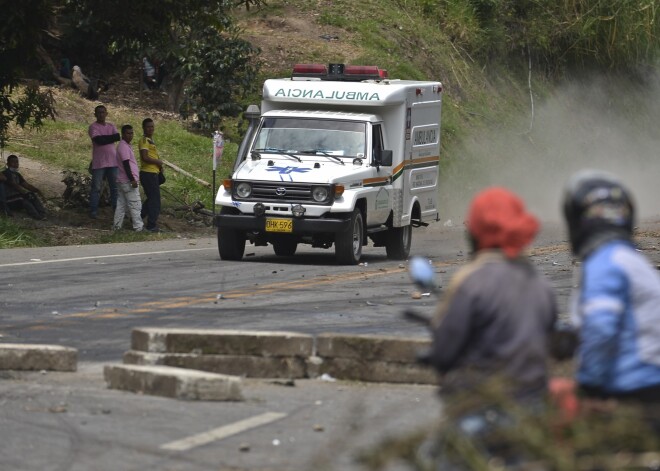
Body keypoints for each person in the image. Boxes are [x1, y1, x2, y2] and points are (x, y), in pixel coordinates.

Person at [424, 187, 557, 467]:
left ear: (474, 233)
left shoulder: (472, 281)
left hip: (481, 405)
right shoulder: (540, 284)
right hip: (532, 407)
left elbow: (445, 351)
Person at [563, 169, 660, 431]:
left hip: (637, 390)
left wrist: (588, 387)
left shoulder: (605, 263)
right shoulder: (630, 259)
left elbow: (601, 328)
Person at [89, 104, 120, 219]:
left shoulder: (111, 125)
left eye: (103, 112)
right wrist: (110, 138)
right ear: (95, 114)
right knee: (96, 188)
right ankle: (93, 211)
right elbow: (98, 141)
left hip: (113, 162)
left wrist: (105, 138)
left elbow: (117, 137)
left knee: (115, 188)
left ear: (106, 114)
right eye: (99, 112)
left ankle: (116, 211)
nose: (101, 114)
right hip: (99, 163)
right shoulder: (93, 127)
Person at [113, 125, 143, 232]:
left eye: (132, 133)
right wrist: (132, 179)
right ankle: (138, 227)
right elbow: (126, 165)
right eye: (127, 133)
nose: (130, 135)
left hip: (122, 180)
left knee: (121, 205)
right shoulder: (124, 147)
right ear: (123, 134)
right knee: (135, 204)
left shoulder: (125, 145)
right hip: (127, 181)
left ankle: (117, 226)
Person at [2, 155, 47, 220]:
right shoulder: (6, 173)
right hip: (9, 199)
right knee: (23, 199)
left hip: (16, 197)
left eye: (17, 162)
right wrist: (24, 192)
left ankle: (42, 213)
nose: (15, 164)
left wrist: (37, 191)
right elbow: (15, 185)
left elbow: (27, 185)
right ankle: (37, 216)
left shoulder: (17, 174)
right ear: (8, 164)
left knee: (31, 195)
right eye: (13, 162)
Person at [138, 118, 164, 232]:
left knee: (151, 198)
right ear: (143, 128)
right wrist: (158, 162)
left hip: (153, 172)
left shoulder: (150, 141)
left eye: (152, 126)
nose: (151, 128)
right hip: (148, 173)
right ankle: (151, 225)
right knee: (155, 200)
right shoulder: (144, 141)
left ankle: (138, 218)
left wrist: (159, 167)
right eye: (148, 126)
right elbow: (145, 157)